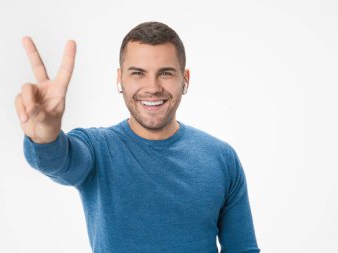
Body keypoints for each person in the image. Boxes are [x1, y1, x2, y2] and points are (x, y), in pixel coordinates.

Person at [15, 21, 260, 253]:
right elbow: (60, 161)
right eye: (138, 73)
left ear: (184, 80)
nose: (152, 87)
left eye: (165, 73)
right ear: (120, 79)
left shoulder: (221, 157)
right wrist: (45, 138)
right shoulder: (97, 149)